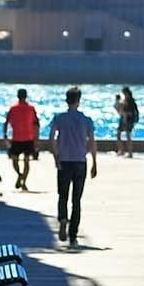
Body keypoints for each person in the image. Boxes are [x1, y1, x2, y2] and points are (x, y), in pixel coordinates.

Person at [47, 85, 98, 247]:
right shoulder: (86, 120)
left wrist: (56, 156)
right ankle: (73, 236)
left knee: (63, 195)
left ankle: (63, 218)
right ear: (79, 101)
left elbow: (51, 138)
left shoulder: (59, 118)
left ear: (66, 100)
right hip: (80, 161)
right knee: (77, 199)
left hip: (64, 160)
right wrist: (94, 162)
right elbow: (92, 142)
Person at [4, 88, 41, 192]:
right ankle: (22, 178)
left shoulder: (13, 108)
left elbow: (6, 123)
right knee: (26, 161)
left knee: (15, 161)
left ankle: (21, 177)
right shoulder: (30, 108)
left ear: (18, 96)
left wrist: (5, 135)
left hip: (17, 138)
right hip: (28, 138)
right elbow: (37, 123)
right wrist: (36, 138)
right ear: (26, 96)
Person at [115, 86, 139, 157]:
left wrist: (126, 114)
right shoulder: (125, 100)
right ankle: (121, 150)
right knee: (119, 134)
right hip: (123, 119)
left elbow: (132, 112)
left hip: (128, 120)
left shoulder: (131, 101)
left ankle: (129, 152)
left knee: (128, 135)